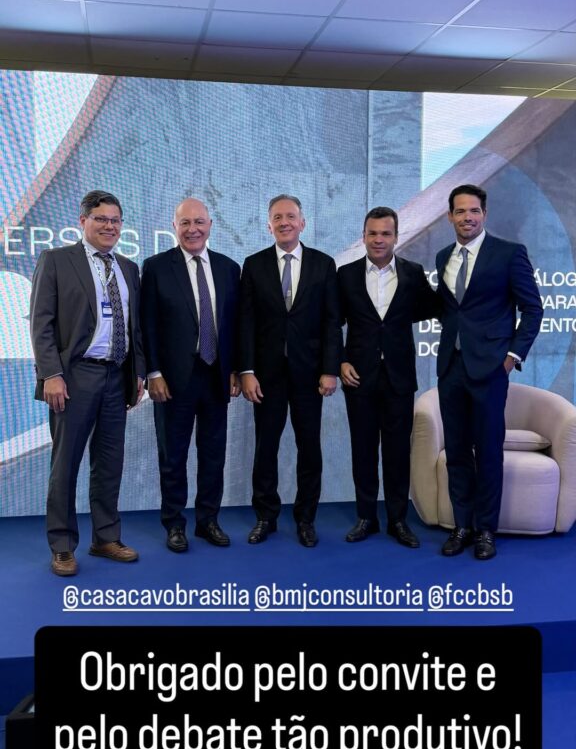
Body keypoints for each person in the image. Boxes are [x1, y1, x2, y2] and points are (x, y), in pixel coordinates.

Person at [30, 190, 145, 576]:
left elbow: (135, 328)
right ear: (83, 222)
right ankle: (62, 545)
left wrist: (138, 372)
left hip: (117, 376)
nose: (109, 226)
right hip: (74, 376)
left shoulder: (128, 268)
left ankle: (106, 538)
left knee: (110, 463)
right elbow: (41, 323)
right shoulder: (56, 261)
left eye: (115, 220)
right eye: (101, 219)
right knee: (65, 465)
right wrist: (51, 374)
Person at [436, 183, 543, 560]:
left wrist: (512, 355)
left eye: (474, 211)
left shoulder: (509, 253)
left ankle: (485, 530)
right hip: (451, 368)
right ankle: (462, 525)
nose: (467, 217)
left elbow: (533, 309)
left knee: (488, 451)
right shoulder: (443, 256)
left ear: (484, 214)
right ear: (450, 216)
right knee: (457, 452)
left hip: (491, 369)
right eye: (460, 211)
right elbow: (453, 311)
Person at [238, 195, 341, 547]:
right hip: (265, 376)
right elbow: (246, 322)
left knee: (309, 448)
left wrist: (330, 370)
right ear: (269, 225)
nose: (285, 222)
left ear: (302, 222)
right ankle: (265, 516)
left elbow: (331, 322)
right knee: (265, 447)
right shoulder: (253, 265)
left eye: (291, 216)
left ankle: (306, 519)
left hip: (310, 376)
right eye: (278, 217)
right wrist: (246, 370)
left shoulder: (323, 264)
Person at [140, 198, 240, 553]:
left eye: (199, 222)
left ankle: (208, 520)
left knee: (213, 454)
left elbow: (235, 325)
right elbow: (147, 325)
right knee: (173, 456)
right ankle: (174, 524)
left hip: (216, 376)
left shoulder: (229, 268)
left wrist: (236, 369)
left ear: (210, 225)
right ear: (175, 226)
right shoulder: (155, 267)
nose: (192, 229)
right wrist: (153, 372)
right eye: (185, 223)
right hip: (172, 380)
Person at [338, 207, 438, 548]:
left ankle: (398, 520)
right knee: (363, 449)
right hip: (358, 377)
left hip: (399, 377)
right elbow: (331, 323)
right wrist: (340, 361)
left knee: (397, 452)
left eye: (385, 233)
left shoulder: (413, 273)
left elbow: (432, 307)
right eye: (373, 233)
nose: (378, 240)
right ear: (364, 236)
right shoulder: (346, 275)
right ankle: (366, 517)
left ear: (396, 236)